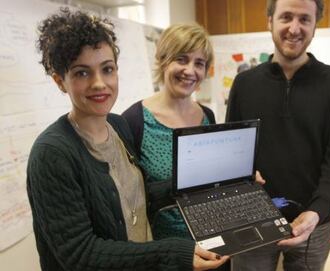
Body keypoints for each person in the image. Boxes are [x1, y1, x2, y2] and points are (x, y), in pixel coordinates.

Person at [27, 8, 228, 271]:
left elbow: (140, 193)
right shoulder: (52, 153)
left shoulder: (117, 126)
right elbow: (80, 254)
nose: (99, 83)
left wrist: (220, 180)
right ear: (60, 81)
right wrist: (172, 252)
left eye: (107, 69)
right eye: (82, 73)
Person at [226, 0, 330, 270]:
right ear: (269, 21)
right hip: (252, 220)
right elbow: (235, 150)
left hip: (313, 222)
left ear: (315, 26)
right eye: (286, 17)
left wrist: (316, 211)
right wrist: (243, 173)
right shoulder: (244, 83)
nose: (294, 28)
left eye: (304, 19)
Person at [122, 24, 216, 240]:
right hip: (164, 250)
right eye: (181, 59)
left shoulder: (207, 117)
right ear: (163, 60)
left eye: (199, 63)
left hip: (212, 239)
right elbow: (128, 199)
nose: (190, 71)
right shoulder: (134, 121)